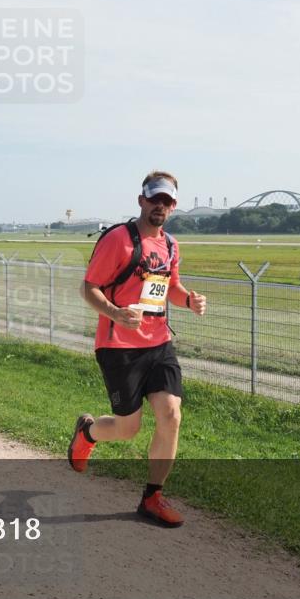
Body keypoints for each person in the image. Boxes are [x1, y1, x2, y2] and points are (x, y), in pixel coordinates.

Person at [68, 170, 207, 527]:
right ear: (142, 199)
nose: (160, 205)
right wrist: (115, 312)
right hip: (119, 347)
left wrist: (188, 300)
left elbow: (171, 286)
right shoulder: (118, 240)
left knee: (171, 414)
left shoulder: (171, 246)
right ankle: (87, 433)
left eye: (167, 201)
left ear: (174, 206)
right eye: (155, 198)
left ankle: (152, 498)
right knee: (128, 429)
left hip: (159, 343)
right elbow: (89, 289)